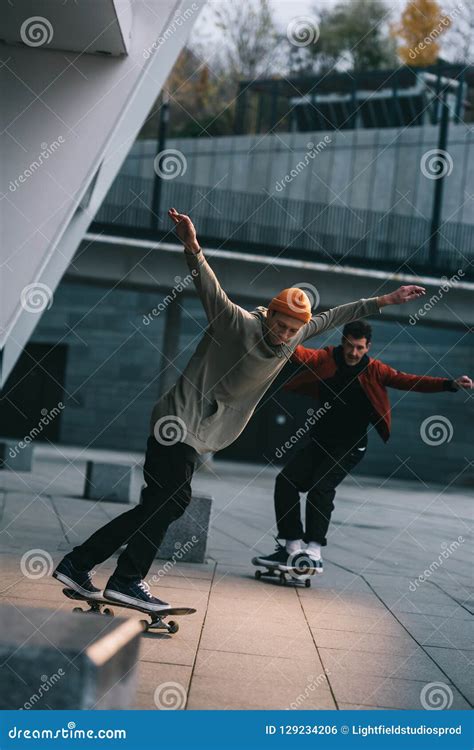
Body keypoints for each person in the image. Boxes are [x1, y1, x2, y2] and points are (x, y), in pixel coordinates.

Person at [53, 208, 427, 611]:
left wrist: (386, 299)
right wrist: (192, 246)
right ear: (271, 314)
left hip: (198, 433)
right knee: (171, 502)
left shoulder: (295, 334)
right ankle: (118, 576)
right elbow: (209, 287)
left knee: (159, 504)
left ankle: (88, 567)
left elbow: (338, 314)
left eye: (291, 330)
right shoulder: (237, 323)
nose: (284, 334)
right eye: (280, 325)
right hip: (177, 424)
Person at [253, 319, 472, 574]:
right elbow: (300, 354)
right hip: (321, 442)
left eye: (359, 348)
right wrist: (280, 339)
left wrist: (450, 384)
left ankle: (313, 551)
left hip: (350, 447)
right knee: (286, 482)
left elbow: (408, 380)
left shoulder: (375, 371)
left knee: (320, 488)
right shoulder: (326, 358)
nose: (353, 353)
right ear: (343, 341)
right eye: (350, 346)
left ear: (368, 347)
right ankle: (291, 548)